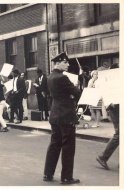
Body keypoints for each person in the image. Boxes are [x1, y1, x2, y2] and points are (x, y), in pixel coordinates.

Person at [43, 52, 81, 185]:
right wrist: (75, 90)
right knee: (68, 147)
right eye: (65, 62)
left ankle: (48, 173)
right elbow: (77, 93)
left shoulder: (50, 77)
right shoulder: (62, 78)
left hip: (55, 114)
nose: (68, 64)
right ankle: (66, 177)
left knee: (54, 145)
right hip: (66, 115)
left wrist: (70, 95)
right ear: (57, 63)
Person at [96, 63, 119, 170]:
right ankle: (103, 157)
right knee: (119, 134)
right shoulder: (107, 81)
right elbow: (105, 94)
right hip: (114, 109)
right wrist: (111, 102)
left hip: (117, 107)